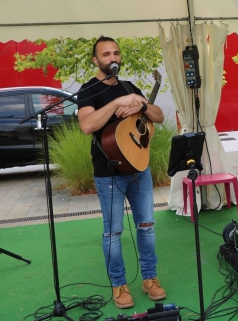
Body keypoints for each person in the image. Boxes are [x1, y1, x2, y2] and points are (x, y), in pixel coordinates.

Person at [77, 36, 166, 309]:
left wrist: (140, 104)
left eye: (116, 53)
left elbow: (159, 115)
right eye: (106, 54)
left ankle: (150, 279)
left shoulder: (129, 86)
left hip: (140, 169)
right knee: (113, 232)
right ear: (96, 60)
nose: (112, 58)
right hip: (109, 174)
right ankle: (119, 284)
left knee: (147, 227)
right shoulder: (89, 90)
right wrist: (117, 104)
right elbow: (87, 124)